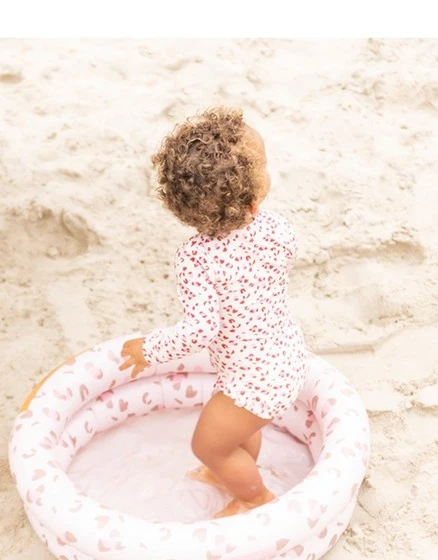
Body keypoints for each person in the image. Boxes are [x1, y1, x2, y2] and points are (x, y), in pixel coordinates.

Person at [119, 107, 308, 518]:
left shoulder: (195, 257)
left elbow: (200, 330)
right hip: (284, 357)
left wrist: (149, 349)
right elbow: (280, 261)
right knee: (236, 433)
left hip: (251, 378)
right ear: (254, 199)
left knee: (208, 446)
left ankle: (254, 498)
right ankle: (234, 471)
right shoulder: (277, 230)